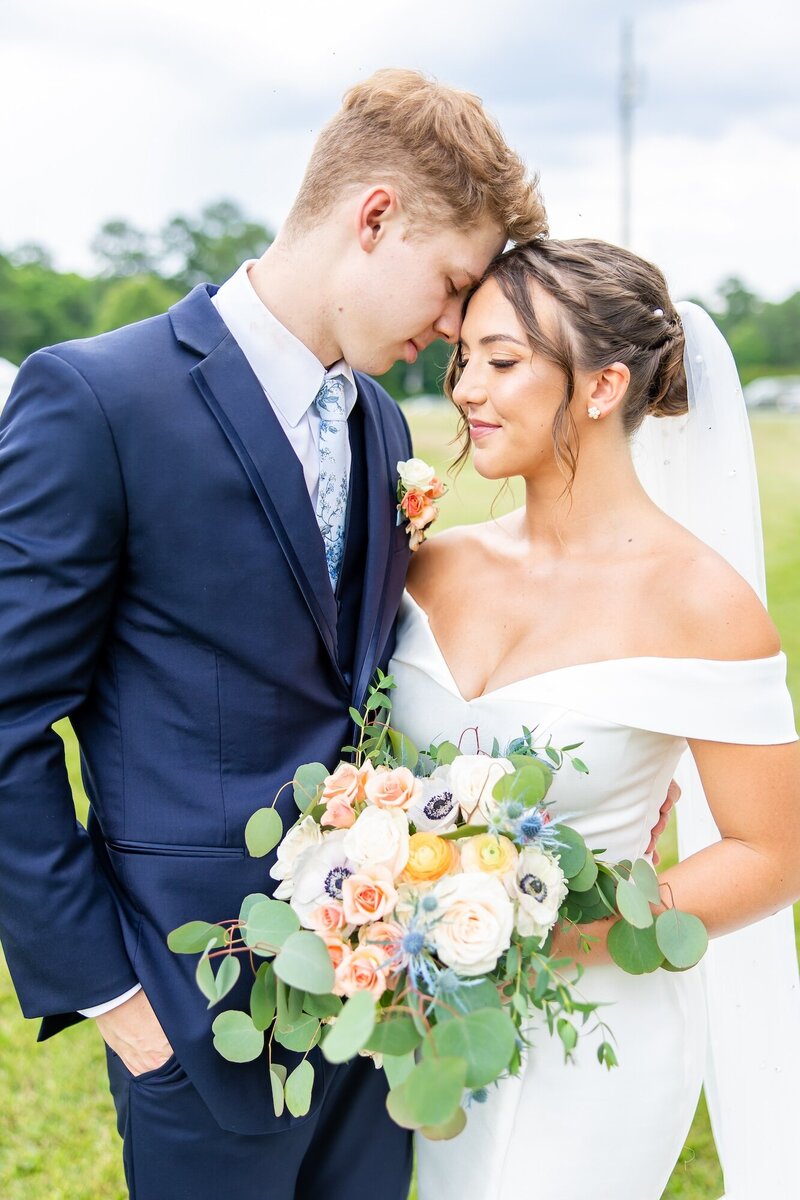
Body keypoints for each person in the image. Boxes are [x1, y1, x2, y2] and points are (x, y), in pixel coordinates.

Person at [0, 70, 544, 1200]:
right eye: (449, 286)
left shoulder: (380, 418)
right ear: (375, 215)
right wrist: (111, 997)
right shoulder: (99, 399)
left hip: (375, 1000)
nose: (450, 328)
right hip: (193, 1015)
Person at [390, 238, 800, 1200]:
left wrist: (545, 930)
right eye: (464, 360)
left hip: (599, 1035)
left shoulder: (702, 601)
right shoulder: (430, 564)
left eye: (502, 361)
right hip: (431, 1026)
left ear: (604, 386)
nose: (465, 389)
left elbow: (773, 852)